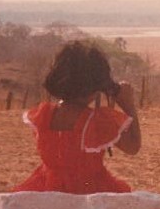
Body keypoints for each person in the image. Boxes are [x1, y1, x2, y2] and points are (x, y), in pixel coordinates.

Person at [12, 41, 141, 194]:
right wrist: (129, 105)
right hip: (89, 192)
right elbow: (133, 147)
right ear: (96, 85)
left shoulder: (43, 115)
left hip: (47, 188)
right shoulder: (96, 121)